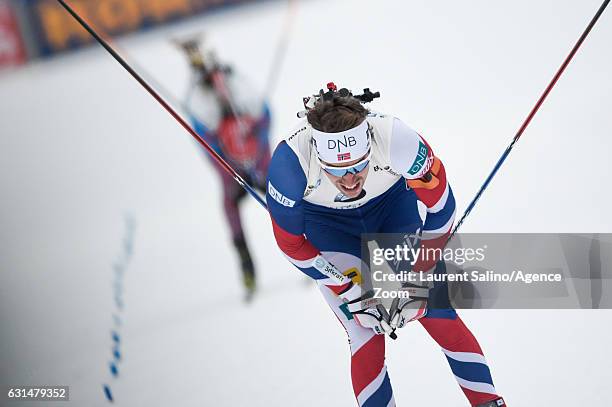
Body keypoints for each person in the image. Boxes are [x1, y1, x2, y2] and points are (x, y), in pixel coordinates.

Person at [266, 83, 506, 406]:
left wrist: (421, 270)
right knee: (365, 328)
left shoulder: (396, 139)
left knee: (430, 304)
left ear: (369, 145)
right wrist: (346, 288)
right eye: (337, 172)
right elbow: (292, 245)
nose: (350, 180)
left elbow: (442, 208)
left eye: (359, 165)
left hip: (393, 210)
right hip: (329, 226)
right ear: (319, 157)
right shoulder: (289, 165)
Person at [178, 38, 271, 300]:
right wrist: (229, 170)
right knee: (230, 209)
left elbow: (265, 115)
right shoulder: (199, 101)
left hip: (260, 160)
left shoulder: (240, 86)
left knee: (287, 200)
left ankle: (315, 251)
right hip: (231, 170)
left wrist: (260, 144)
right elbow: (206, 144)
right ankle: (247, 267)